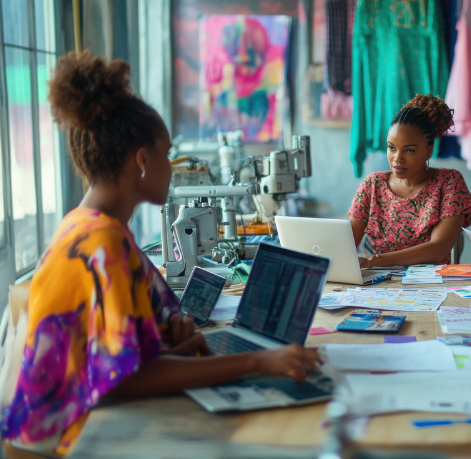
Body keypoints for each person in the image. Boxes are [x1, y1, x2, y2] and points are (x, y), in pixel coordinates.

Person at [0, 52, 320, 457]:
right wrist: (259, 363)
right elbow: (128, 379)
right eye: (168, 154)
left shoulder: (83, 224)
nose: (173, 167)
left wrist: (169, 350)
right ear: (141, 160)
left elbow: (107, 352)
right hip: (70, 439)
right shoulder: (102, 242)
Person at [349, 94, 471, 268]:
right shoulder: (373, 185)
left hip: (432, 285)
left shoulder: (448, 182)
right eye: (391, 148)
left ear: (429, 150)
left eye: (409, 150)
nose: (397, 158)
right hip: (379, 283)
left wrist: (375, 261)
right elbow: (346, 243)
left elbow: (439, 248)